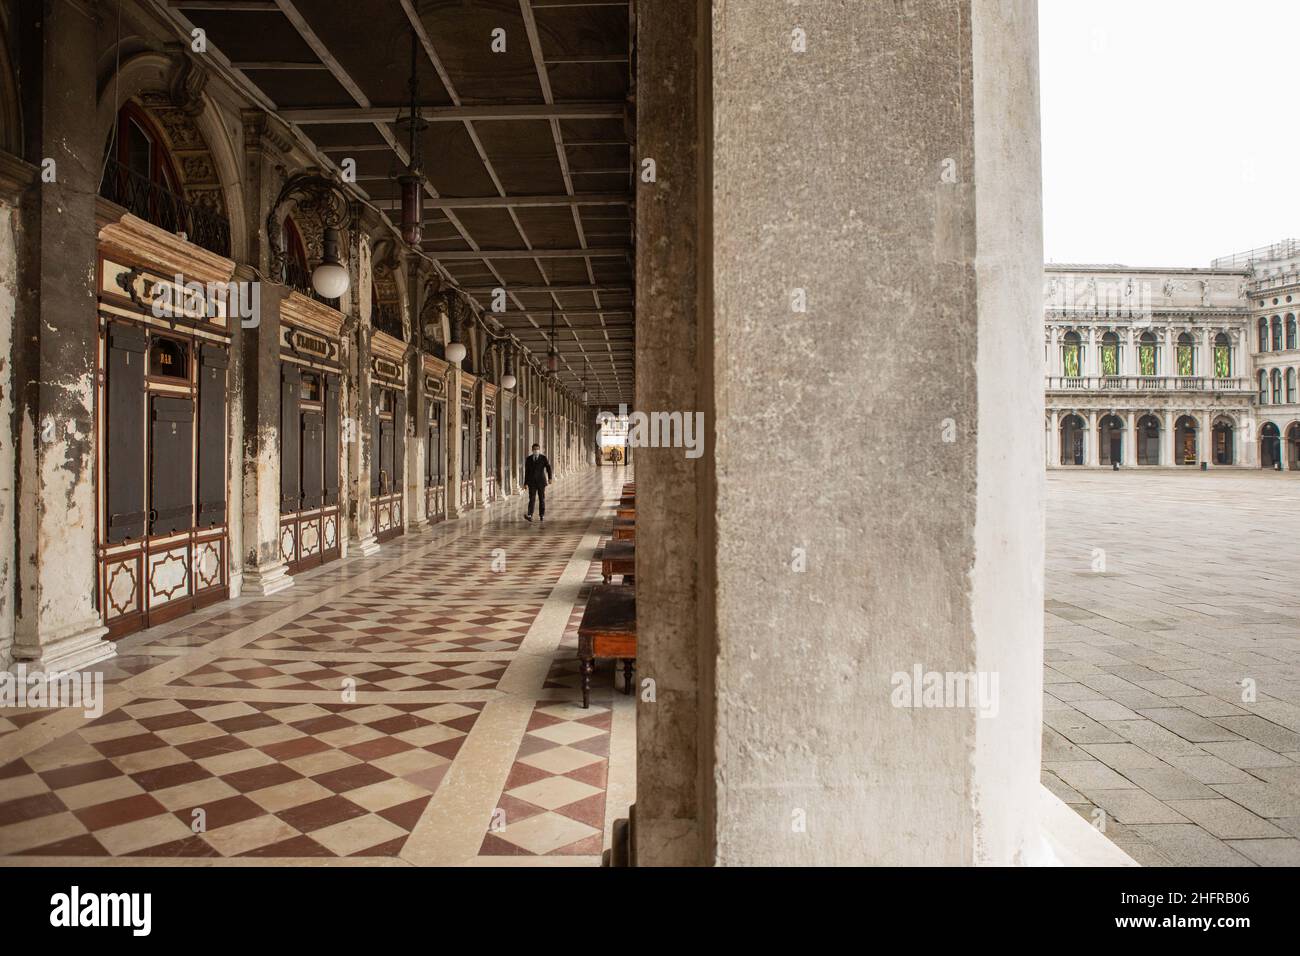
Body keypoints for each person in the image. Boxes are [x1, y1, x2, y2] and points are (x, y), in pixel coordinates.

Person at [523, 443, 552, 523]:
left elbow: (548, 467)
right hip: (532, 482)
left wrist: (550, 478)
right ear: (532, 450)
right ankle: (530, 515)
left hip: (541, 482)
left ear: (539, 450)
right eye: (534, 449)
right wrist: (525, 483)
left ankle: (541, 515)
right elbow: (527, 472)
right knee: (531, 499)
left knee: (541, 499)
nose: (536, 451)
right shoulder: (528, 459)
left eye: (537, 449)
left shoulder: (543, 458)